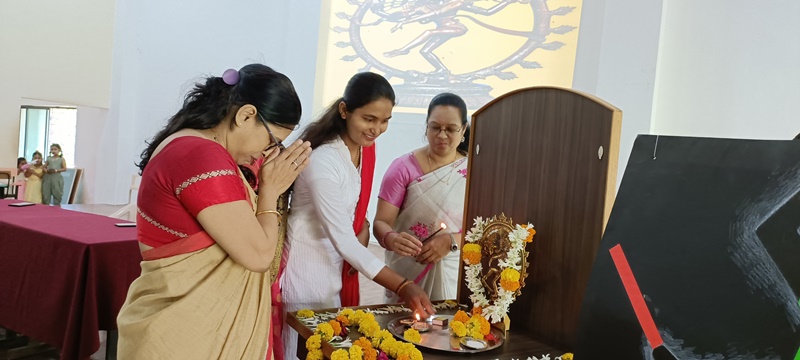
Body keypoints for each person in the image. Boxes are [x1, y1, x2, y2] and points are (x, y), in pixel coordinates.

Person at [116, 64, 312, 360]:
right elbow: (258, 256)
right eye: (271, 141)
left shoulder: (193, 144)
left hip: (188, 330)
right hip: (186, 336)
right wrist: (270, 192)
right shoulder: (202, 156)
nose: (266, 152)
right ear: (246, 115)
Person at [281, 72, 435, 359]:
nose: (376, 129)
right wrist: (403, 285)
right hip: (305, 276)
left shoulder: (360, 150)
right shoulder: (323, 161)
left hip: (333, 270)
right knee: (302, 350)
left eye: (385, 120)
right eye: (369, 119)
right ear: (344, 111)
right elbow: (344, 240)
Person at [373, 93, 469, 303]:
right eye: (435, 127)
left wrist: (450, 241)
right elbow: (381, 222)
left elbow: (482, 230)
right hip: (407, 269)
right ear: (426, 127)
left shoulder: (473, 172)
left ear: (463, 130)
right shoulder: (402, 168)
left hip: (454, 271)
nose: (442, 135)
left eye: (451, 129)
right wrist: (392, 238)